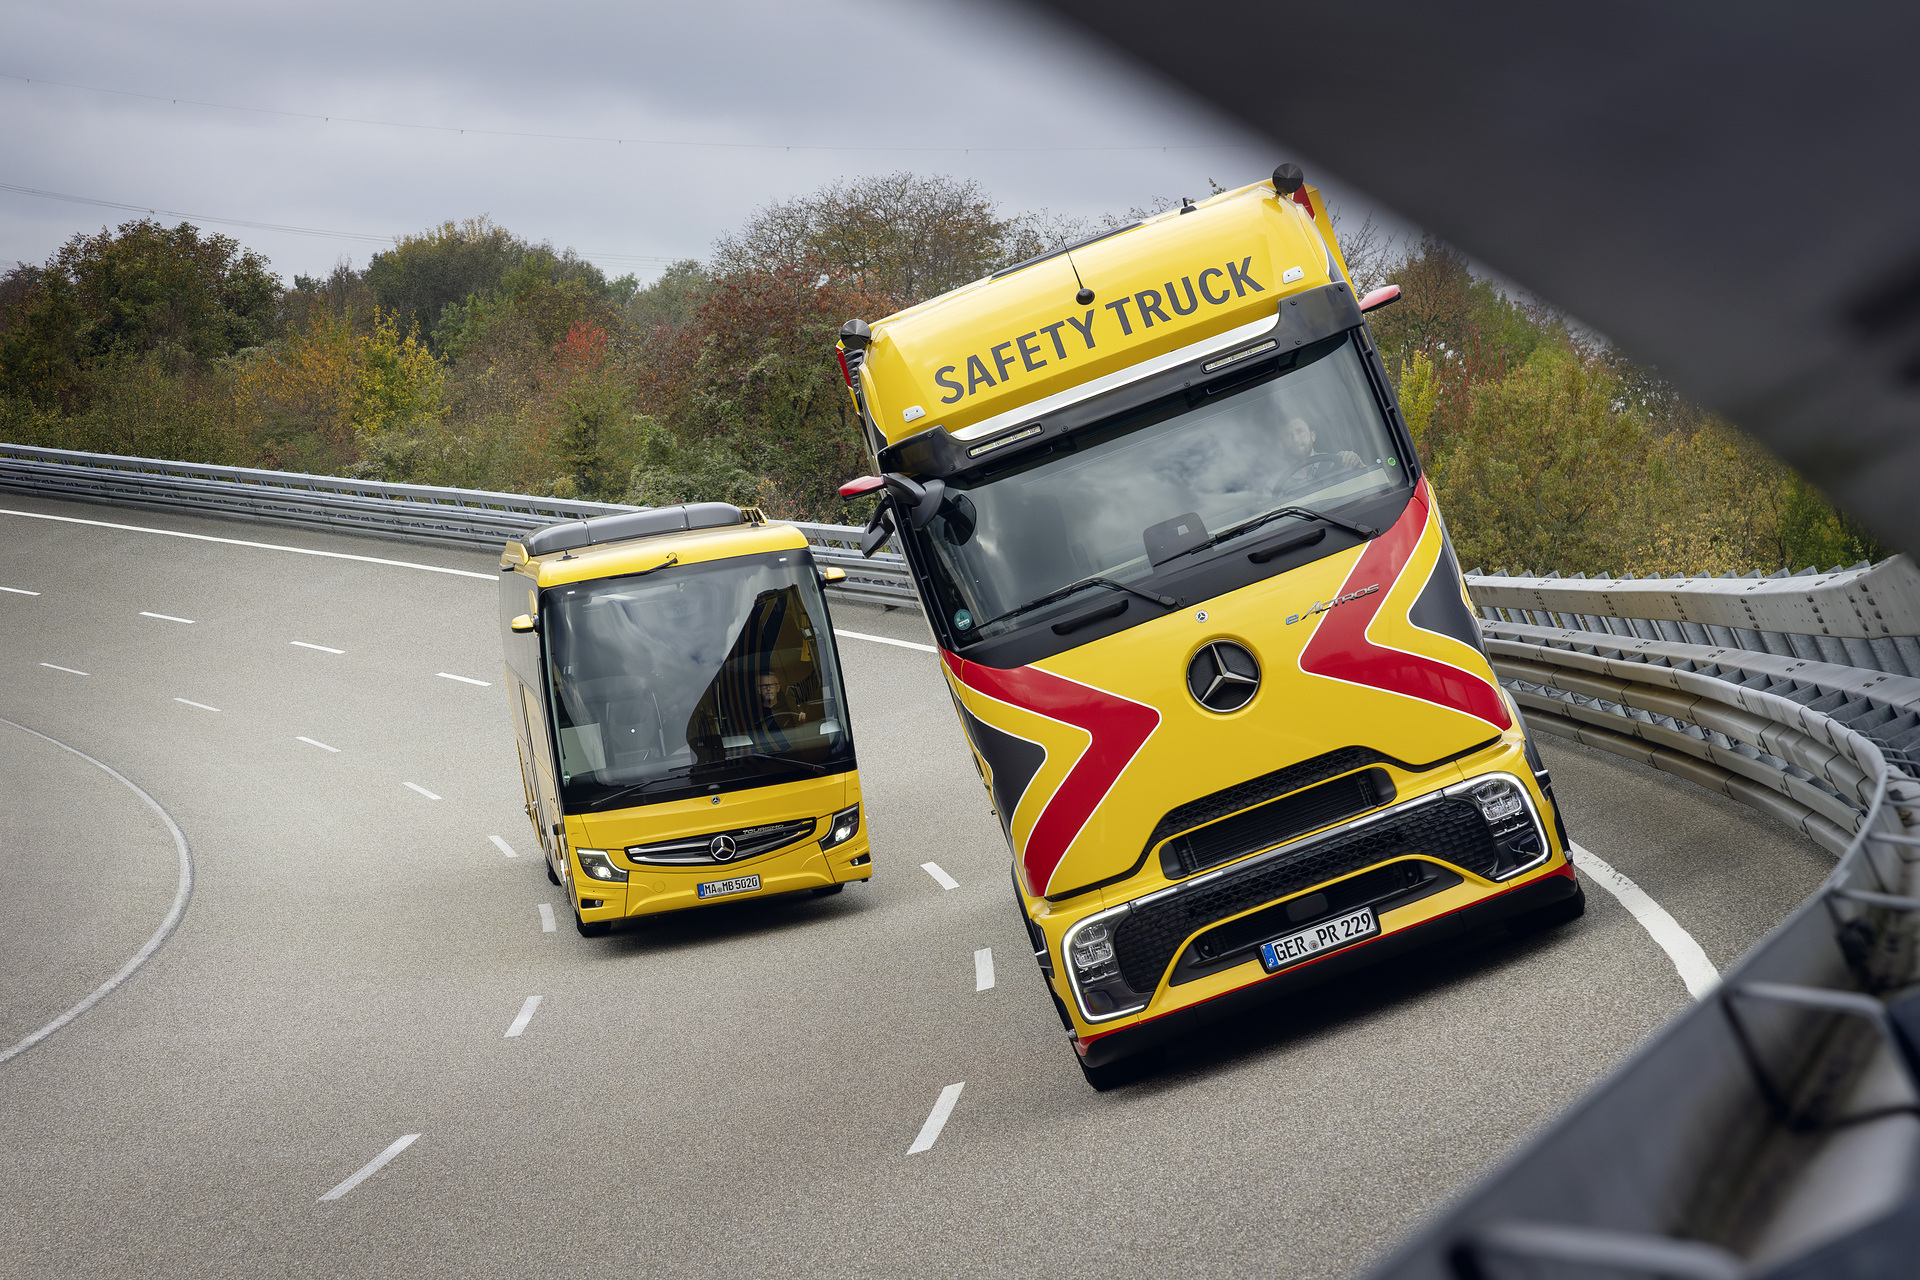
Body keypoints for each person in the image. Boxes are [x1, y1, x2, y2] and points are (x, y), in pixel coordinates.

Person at [1276, 416, 1362, 487]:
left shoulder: (1341, 460)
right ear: (1282, 444)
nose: (1295, 439)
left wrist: (1357, 463)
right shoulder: (1275, 483)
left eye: (1300, 432)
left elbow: (1369, 482)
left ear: (1312, 435)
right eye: (1287, 435)